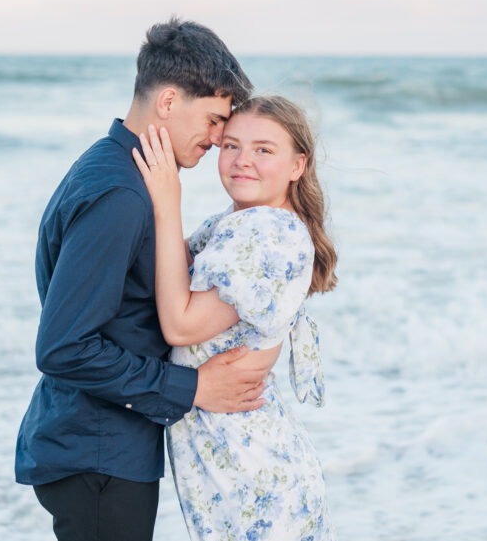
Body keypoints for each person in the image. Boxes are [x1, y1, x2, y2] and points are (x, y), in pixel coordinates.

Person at [15, 18, 272, 541]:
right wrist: (193, 387)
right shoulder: (121, 194)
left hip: (103, 447)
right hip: (99, 456)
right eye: (215, 118)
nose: (220, 138)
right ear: (170, 101)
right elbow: (64, 346)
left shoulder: (120, 172)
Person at [133, 95, 338, 540]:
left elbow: (181, 324)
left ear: (296, 165)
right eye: (230, 146)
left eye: (264, 149)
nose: (242, 160)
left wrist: (167, 202)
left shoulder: (271, 235)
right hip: (234, 463)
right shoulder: (237, 222)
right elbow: (168, 270)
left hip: (255, 475)